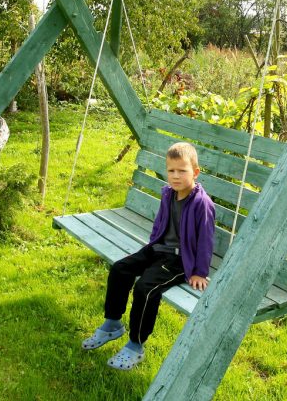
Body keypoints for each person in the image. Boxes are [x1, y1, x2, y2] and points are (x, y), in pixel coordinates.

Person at [82, 142, 216, 370]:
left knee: (146, 288)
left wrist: (199, 272)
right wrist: (152, 245)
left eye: (182, 171)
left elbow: (205, 239)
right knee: (120, 269)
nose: (175, 176)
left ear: (195, 172)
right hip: (157, 249)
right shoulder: (168, 194)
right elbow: (161, 222)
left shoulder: (202, 204)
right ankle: (113, 323)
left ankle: (135, 345)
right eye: (171, 170)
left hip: (179, 261)